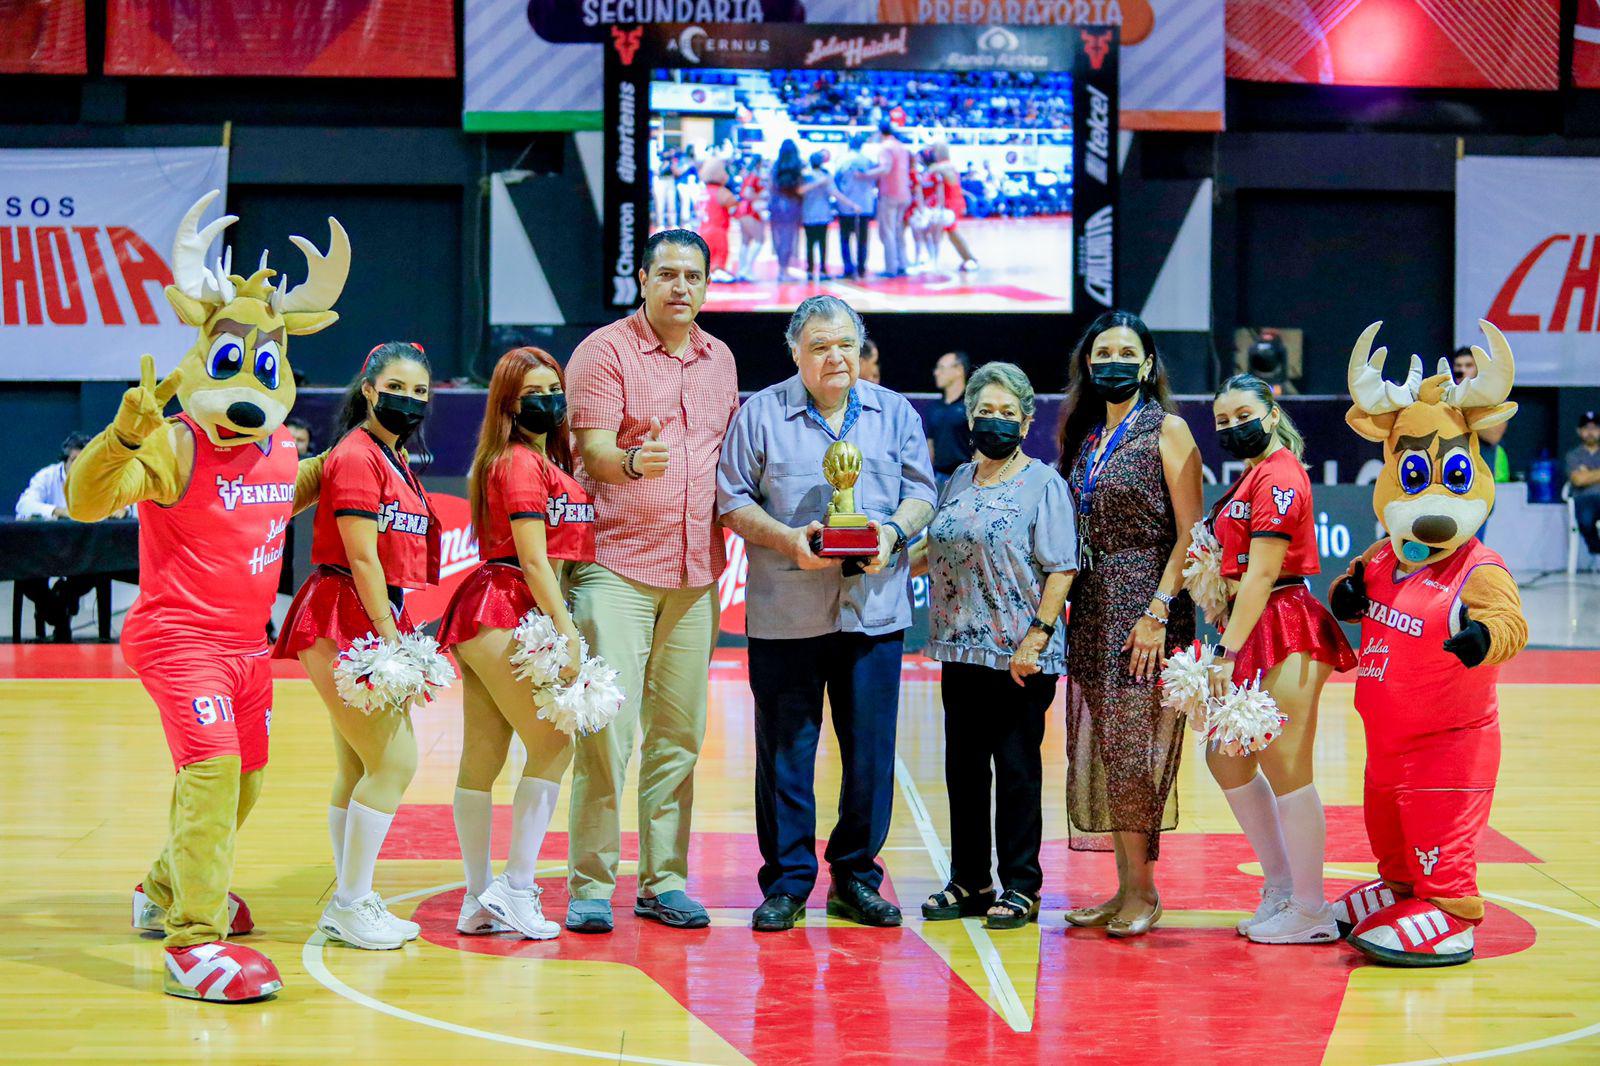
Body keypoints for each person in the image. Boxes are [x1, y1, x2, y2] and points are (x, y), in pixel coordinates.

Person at [717, 295, 936, 932]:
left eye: (844, 344)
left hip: (874, 611)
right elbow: (731, 500)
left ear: (859, 348)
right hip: (787, 612)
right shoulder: (760, 413)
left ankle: (856, 878)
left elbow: (922, 492)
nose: (833, 356)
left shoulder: (894, 412)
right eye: (818, 346)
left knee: (870, 753)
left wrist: (892, 534)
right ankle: (787, 882)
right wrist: (790, 539)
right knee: (786, 751)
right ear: (796, 353)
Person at [563, 229, 739, 934]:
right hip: (616, 570)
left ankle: (664, 881)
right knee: (606, 734)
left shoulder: (719, 359)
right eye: (666, 273)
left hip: (696, 575)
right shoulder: (604, 352)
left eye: (692, 276)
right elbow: (592, 449)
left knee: (679, 736)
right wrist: (635, 463)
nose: (680, 287)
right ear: (641, 279)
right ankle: (590, 886)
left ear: (705, 285)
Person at [274, 342, 438, 952]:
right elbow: (363, 556)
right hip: (345, 611)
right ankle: (349, 903)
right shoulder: (355, 456)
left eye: (421, 391)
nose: (410, 400)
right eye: (398, 387)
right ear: (369, 388)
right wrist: (391, 637)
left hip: (365, 610)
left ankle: (351, 896)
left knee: (358, 765)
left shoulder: (390, 455)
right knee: (395, 763)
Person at [437, 347, 595, 940]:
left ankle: (479, 899)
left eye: (554, 386)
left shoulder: (527, 458)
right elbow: (532, 557)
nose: (549, 398)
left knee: (483, 755)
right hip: (505, 602)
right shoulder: (519, 463)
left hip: (489, 608)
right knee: (554, 741)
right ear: (509, 400)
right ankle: (517, 886)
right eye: (534, 390)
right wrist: (568, 628)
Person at [1057, 310, 1201, 937]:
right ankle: (1122, 890)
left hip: (1146, 604)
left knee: (1135, 750)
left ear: (1146, 365)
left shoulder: (1168, 429)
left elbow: (1194, 532)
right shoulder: (1087, 437)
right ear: (1089, 365)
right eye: (1101, 351)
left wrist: (1158, 611)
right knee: (1109, 749)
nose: (1112, 360)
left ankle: (1144, 891)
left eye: (1126, 351)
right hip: (1092, 604)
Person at [919, 362, 1076, 930]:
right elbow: (932, 551)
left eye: (1008, 413)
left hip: (1019, 656)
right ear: (969, 418)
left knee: (1014, 771)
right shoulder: (957, 480)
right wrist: (875, 556)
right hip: (959, 649)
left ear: (1028, 421)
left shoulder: (1044, 484)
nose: (996, 421)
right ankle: (970, 880)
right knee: (963, 769)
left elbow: (1062, 568)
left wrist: (1037, 636)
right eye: (986, 411)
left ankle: (1021, 885)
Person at [1205, 374, 1356, 945]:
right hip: (1253, 620)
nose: (1231, 427)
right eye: (1221, 420)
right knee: (1227, 758)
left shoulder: (1282, 474)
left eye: (1241, 414)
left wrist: (1225, 650)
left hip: (1284, 620)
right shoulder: (1253, 474)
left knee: (1287, 767)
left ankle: (1313, 909)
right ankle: (1282, 886)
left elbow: (1264, 572)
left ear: (1270, 413)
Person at [14, 431, 111, 641]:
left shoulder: (99, 478)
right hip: (45, 552)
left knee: (95, 568)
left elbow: (129, 506)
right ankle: (61, 616)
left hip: (82, 552)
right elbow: (23, 505)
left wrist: (122, 510)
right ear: (65, 460)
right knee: (29, 578)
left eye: (85, 461)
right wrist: (57, 511)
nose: (80, 466)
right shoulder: (47, 476)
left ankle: (62, 605)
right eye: (75, 460)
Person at [1451, 347, 1509, 482]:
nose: (1463, 370)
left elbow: (1494, 436)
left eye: (1468, 365)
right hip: (1451, 476)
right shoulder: (1447, 394)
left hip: (1480, 479)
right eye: (1458, 366)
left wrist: (1463, 409)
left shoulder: (1493, 397)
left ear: (1477, 368)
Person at [802, 150, 859, 281]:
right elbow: (836, 194)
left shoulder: (806, 176)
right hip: (821, 213)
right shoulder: (824, 176)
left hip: (810, 213)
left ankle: (811, 269)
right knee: (821, 242)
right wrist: (852, 204)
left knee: (811, 243)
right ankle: (822, 269)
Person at [835, 132, 885, 280]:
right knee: (862, 238)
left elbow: (836, 181)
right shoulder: (868, 161)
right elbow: (875, 180)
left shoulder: (842, 160)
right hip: (865, 205)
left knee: (845, 238)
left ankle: (848, 268)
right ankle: (862, 268)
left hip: (846, 204)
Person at [923, 350, 972, 485]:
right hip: (939, 478)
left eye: (941, 368)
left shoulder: (972, 405)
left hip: (967, 478)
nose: (936, 372)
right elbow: (930, 445)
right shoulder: (935, 408)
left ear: (959, 370)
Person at [874, 120, 913, 277]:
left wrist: (865, 174)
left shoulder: (886, 147)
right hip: (904, 193)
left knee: (887, 231)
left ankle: (891, 267)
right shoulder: (902, 147)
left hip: (889, 193)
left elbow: (885, 168)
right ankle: (902, 263)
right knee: (898, 231)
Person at [769, 140, 806, 283]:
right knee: (788, 239)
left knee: (779, 238)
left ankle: (781, 269)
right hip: (792, 205)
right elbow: (800, 190)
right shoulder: (797, 168)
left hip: (777, 205)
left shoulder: (776, 167)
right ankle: (784, 271)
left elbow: (771, 187)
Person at [698, 156, 736, 283]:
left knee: (707, 255)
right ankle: (718, 270)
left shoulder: (703, 192)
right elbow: (733, 203)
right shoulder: (721, 192)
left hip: (703, 229)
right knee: (720, 253)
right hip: (718, 229)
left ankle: (711, 271)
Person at [1568, 410, 1600, 557]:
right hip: (1584, 499)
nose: (1590, 432)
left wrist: (1587, 473)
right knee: (1586, 519)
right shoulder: (1573, 455)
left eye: (1594, 428)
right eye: (1586, 428)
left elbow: (1583, 478)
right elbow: (1578, 480)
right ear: (1579, 431)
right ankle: (1595, 546)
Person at [733, 157, 768, 282]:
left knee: (745, 241)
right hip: (750, 210)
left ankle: (742, 270)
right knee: (759, 239)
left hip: (743, 210)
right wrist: (761, 196)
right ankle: (747, 269)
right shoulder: (754, 177)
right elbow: (747, 194)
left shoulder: (748, 176)